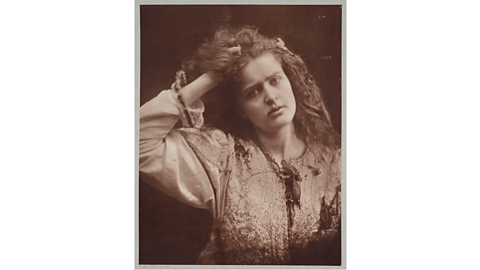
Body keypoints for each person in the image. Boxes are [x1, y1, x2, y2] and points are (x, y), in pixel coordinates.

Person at [139, 26, 341, 265]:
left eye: (275, 80)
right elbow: (138, 142)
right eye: (253, 91)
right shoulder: (223, 156)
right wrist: (211, 78)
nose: (271, 97)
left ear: (290, 80)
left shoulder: (334, 160)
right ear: (240, 110)